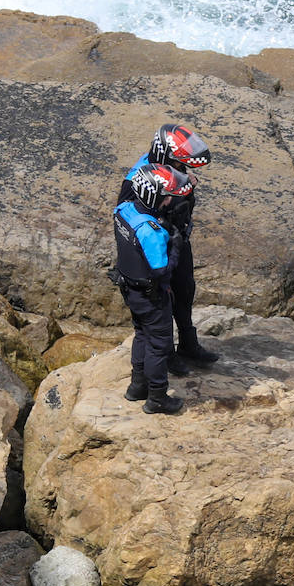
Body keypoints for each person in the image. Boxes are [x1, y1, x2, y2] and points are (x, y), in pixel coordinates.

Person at [117, 124, 218, 374]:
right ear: (164, 156)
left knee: (185, 290)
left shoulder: (175, 168)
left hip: (179, 239)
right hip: (158, 248)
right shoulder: (138, 179)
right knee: (164, 301)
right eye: (178, 163)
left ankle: (188, 343)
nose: (183, 168)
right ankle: (167, 355)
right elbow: (129, 217)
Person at [110, 163, 193, 414]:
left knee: (141, 335)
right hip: (152, 296)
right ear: (154, 197)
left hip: (130, 290)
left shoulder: (123, 211)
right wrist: (176, 244)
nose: (169, 201)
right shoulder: (151, 232)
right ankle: (157, 397)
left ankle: (137, 386)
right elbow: (161, 270)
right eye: (166, 197)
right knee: (158, 345)